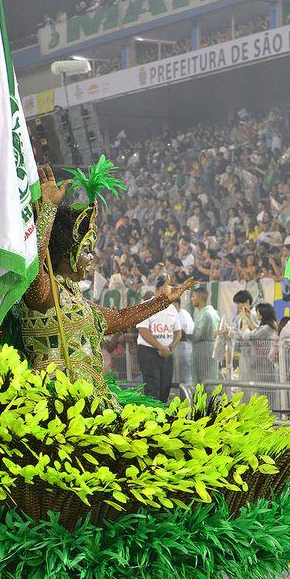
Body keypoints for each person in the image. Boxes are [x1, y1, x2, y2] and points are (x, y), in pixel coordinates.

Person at [19, 165, 193, 403]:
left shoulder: (75, 299)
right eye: (87, 250)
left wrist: (162, 302)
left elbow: (119, 319)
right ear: (68, 253)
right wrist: (48, 209)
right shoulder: (44, 293)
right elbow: (33, 262)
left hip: (91, 401)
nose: (92, 258)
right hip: (52, 405)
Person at [135, 276, 182, 402]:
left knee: (165, 387)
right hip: (149, 352)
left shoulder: (172, 308)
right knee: (152, 389)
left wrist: (170, 347)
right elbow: (143, 331)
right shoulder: (146, 305)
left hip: (167, 353)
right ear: (158, 290)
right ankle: (152, 419)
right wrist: (160, 347)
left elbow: (178, 332)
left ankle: (162, 418)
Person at [188, 286, 221, 384]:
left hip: (204, 351)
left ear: (199, 298)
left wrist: (186, 336)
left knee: (204, 382)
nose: (191, 299)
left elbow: (199, 335)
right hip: (206, 350)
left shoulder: (207, 314)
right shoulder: (208, 312)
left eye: (193, 296)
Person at [173, 297, 195, 391]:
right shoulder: (174, 314)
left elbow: (183, 333)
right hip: (177, 347)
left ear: (177, 303)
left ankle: (188, 398)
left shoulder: (184, 315)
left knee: (185, 376)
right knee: (177, 376)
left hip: (183, 347)